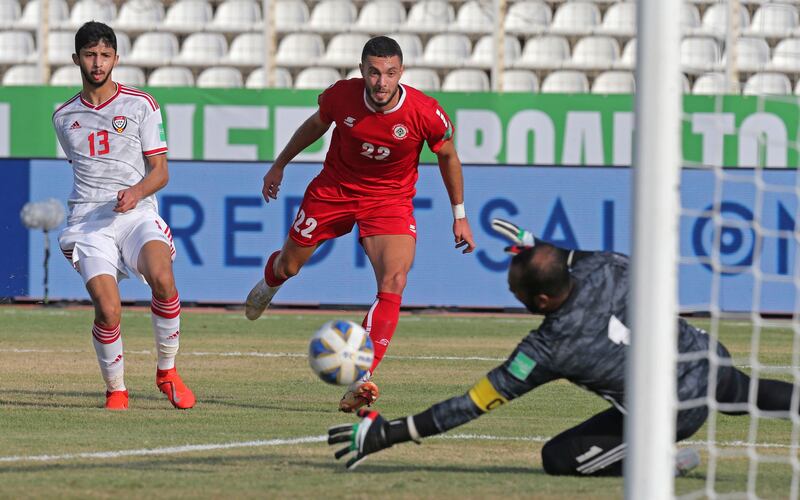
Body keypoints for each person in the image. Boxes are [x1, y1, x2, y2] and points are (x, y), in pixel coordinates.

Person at [327, 218, 799, 474]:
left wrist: (389, 433)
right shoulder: (610, 266)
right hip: (706, 359)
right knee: (746, 392)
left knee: (558, 458)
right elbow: (576, 257)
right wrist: (537, 243)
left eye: (519, 295)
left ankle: (659, 459)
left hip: (674, 410)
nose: (515, 299)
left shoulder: (547, 348)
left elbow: (472, 404)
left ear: (543, 301)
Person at [244, 36, 476, 412]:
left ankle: (362, 378)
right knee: (289, 265)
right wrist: (280, 163)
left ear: (401, 72)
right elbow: (315, 125)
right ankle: (271, 280)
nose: (381, 81)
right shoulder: (342, 95)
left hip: (389, 201)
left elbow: (448, 156)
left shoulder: (425, 112)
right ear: (362, 71)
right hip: (333, 191)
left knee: (395, 280)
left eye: (390, 73)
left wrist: (460, 215)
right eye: (373, 72)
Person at [52, 22, 195, 411]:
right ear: (76, 59)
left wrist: (135, 192)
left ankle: (167, 371)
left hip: (135, 215)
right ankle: (116, 390)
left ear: (116, 58)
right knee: (108, 308)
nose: (97, 64)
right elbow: (80, 166)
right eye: (89, 55)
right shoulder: (63, 116)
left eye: (104, 55)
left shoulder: (140, 105)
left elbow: (160, 171)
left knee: (163, 279)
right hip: (87, 224)